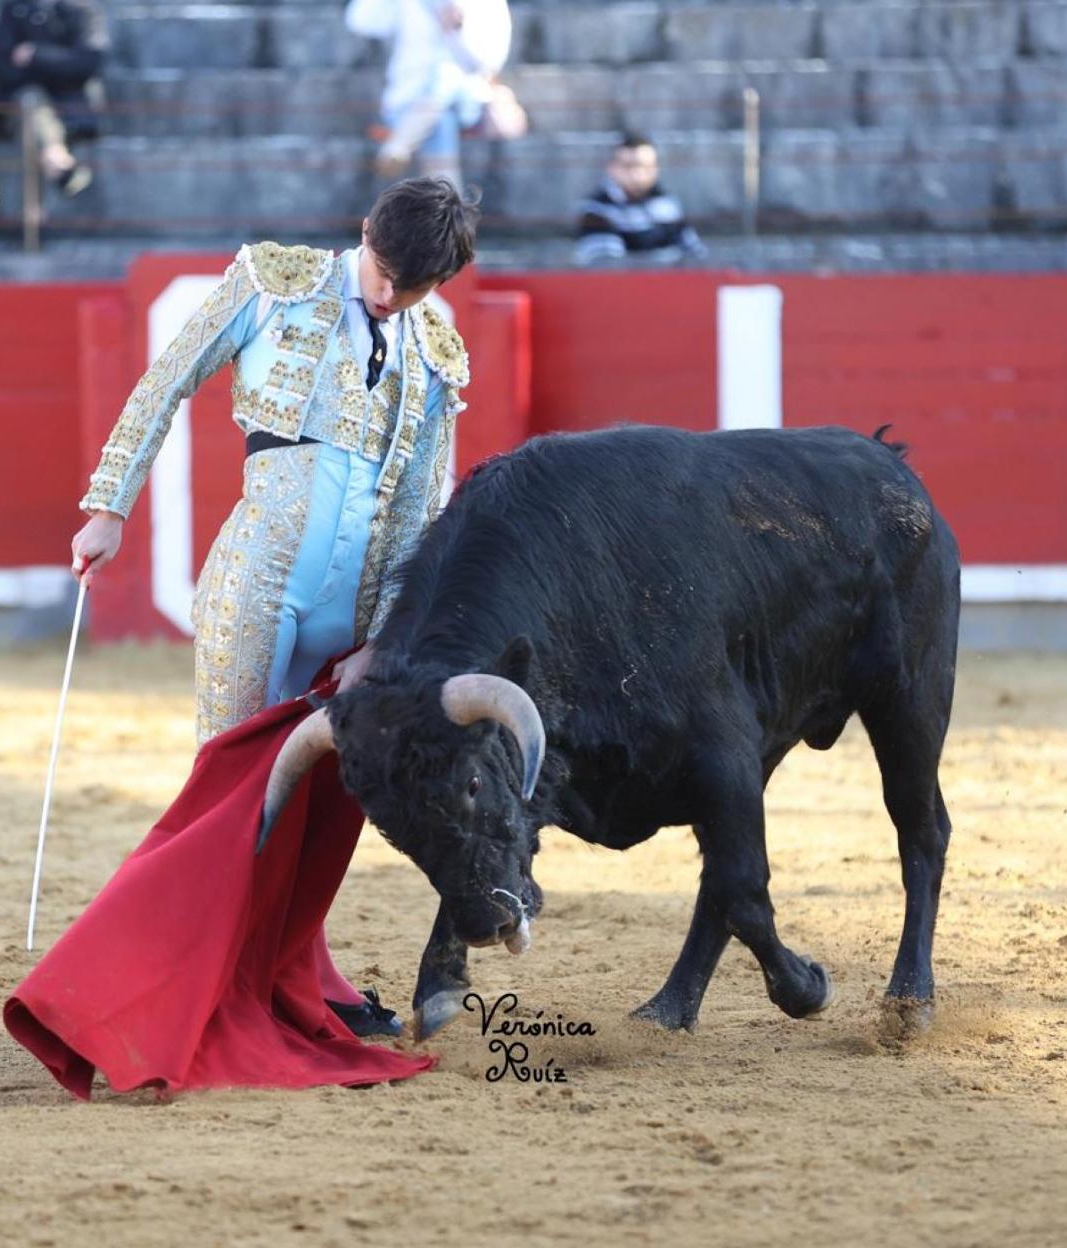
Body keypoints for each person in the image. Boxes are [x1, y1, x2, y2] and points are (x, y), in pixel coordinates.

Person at [71, 177, 478, 1037]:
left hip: (355, 613)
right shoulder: (271, 279)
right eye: (381, 270)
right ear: (364, 232)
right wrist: (110, 507)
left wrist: (382, 637)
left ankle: (299, 972)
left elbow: (418, 505)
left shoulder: (436, 348)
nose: (386, 293)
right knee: (227, 790)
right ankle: (187, 977)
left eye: (409, 287)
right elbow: (166, 379)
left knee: (317, 802)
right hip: (259, 576)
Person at [345, 0, 512, 188]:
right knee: (441, 122)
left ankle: (400, 144)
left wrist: (456, 31)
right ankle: (449, 209)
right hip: (408, 100)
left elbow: (490, 63)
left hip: (466, 103)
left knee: (446, 76)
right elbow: (360, 21)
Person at [0, 0, 109, 196]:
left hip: (74, 107)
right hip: (27, 102)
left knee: (32, 109)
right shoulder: (14, 9)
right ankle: (58, 162)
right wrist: (60, 67)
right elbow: (0, 66)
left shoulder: (83, 10)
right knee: (30, 101)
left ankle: (54, 161)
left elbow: (90, 61)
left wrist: (36, 55)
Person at [574, 131, 708, 267]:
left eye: (646, 166)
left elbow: (696, 256)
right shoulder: (597, 209)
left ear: (656, 169)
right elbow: (608, 269)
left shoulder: (666, 204)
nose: (638, 174)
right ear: (612, 168)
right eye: (628, 166)